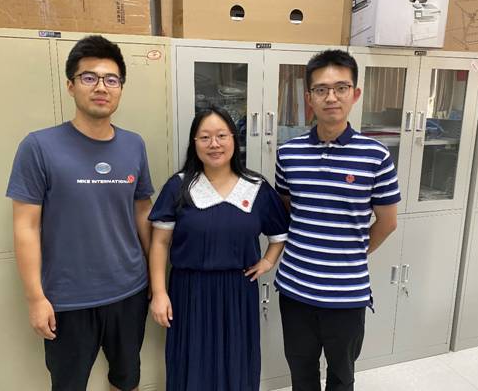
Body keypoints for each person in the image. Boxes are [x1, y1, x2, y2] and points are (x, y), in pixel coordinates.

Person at [6, 35, 153, 391]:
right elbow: (26, 227)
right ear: (71, 86)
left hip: (129, 290)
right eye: (89, 77)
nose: (101, 87)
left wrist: (155, 277)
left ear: (120, 88)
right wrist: (35, 298)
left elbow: (142, 210)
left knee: (127, 379)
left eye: (111, 79)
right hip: (67, 299)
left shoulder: (134, 144)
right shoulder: (38, 146)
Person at [274, 49, 400, 391]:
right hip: (295, 289)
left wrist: (352, 253)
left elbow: (387, 222)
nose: (331, 97)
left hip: (346, 295)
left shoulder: (376, 156)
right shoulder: (288, 153)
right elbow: (287, 209)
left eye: (341, 88)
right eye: (321, 89)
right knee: (301, 374)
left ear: (355, 94)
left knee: (342, 377)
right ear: (309, 98)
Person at [148, 106, 289, 391]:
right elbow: (159, 242)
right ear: (194, 143)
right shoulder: (179, 187)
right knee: (192, 363)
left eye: (222, 135)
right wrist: (159, 293)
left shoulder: (256, 187)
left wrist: (268, 261)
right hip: (190, 292)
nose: (214, 144)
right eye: (205, 137)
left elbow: (279, 234)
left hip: (238, 293)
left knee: (236, 362)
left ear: (234, 139)